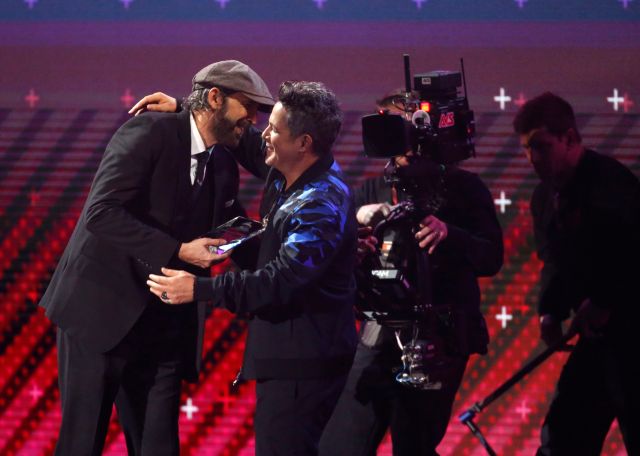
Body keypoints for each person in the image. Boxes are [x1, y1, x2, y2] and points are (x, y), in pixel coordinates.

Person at [39, 60, 274, 455]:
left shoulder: (222, 163)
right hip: (100, 312)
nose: (253, 120)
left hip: (164, 325)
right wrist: (179, 251)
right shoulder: (147, 131)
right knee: (82, 443)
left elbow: (263, 166)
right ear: (215, 98)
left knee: (158, 445)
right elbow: (102, 213)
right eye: (248, 107)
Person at [146, 81, 358, 456]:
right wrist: (186, 109)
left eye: (274, 129)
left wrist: (200, 289)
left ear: (304, 142)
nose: (264, 136)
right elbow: (244, 143)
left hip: (304, 370)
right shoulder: (290, 170)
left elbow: (280, 282)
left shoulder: (320, 204)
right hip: (290, 361)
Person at [318, 90, 504, 456]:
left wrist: (450, 234)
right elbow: (329, 260)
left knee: (414, 445)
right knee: (341, 445)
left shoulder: (464, 188)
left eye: (402, 126)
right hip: (378, 334)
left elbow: (491, 257)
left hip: (440, 337)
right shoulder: (370, 191)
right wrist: (352, 226)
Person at [514, 92, 640, 455]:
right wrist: (550, 310)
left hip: (633, 336)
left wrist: (603, 301)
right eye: (526, 148)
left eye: (540, 146)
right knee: (563, 437)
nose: (531, 158)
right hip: (599, 340)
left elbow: (631, 254)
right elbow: (554, 261)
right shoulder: (544, 199)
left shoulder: (611, 184)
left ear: (569, 138)